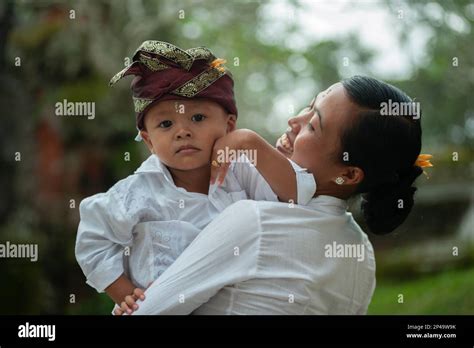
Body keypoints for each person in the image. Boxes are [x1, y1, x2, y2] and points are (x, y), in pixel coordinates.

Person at [120, 75, 432, 315]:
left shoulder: (255, 222)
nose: (294, 122)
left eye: (313, 126)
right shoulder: (361, 256)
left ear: (349, 174)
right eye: (309, 106)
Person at [75, 41, 316, 313]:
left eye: (198, 117)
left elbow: (299, 194)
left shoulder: (244, 173)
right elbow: (93, 241)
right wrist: (126, 293)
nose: (182, 131)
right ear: (149, 141)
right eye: (166, 124)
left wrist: (250, 142)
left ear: (229, 125)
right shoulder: (135, 193)